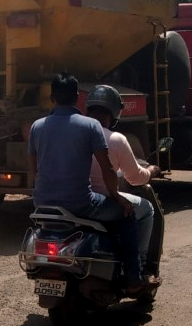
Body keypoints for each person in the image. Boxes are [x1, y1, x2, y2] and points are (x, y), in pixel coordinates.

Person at [27, 73, 153, 294]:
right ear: (78, 97)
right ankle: (134, 278)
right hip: (80, 203)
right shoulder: (90, 126)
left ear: (52, 96)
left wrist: (38, 194)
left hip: (42, 203)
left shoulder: (37, 126)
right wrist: (116, 196)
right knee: (128, 213)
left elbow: (33, 170)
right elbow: (107, 169)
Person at [83, 85, 160, 287]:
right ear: (115, 113)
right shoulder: (116, 139)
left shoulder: (76, 134)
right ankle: (138, 270)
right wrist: (151, 171)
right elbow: (135, 178)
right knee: (147, 209)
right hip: (99, 199)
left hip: (69, 197)